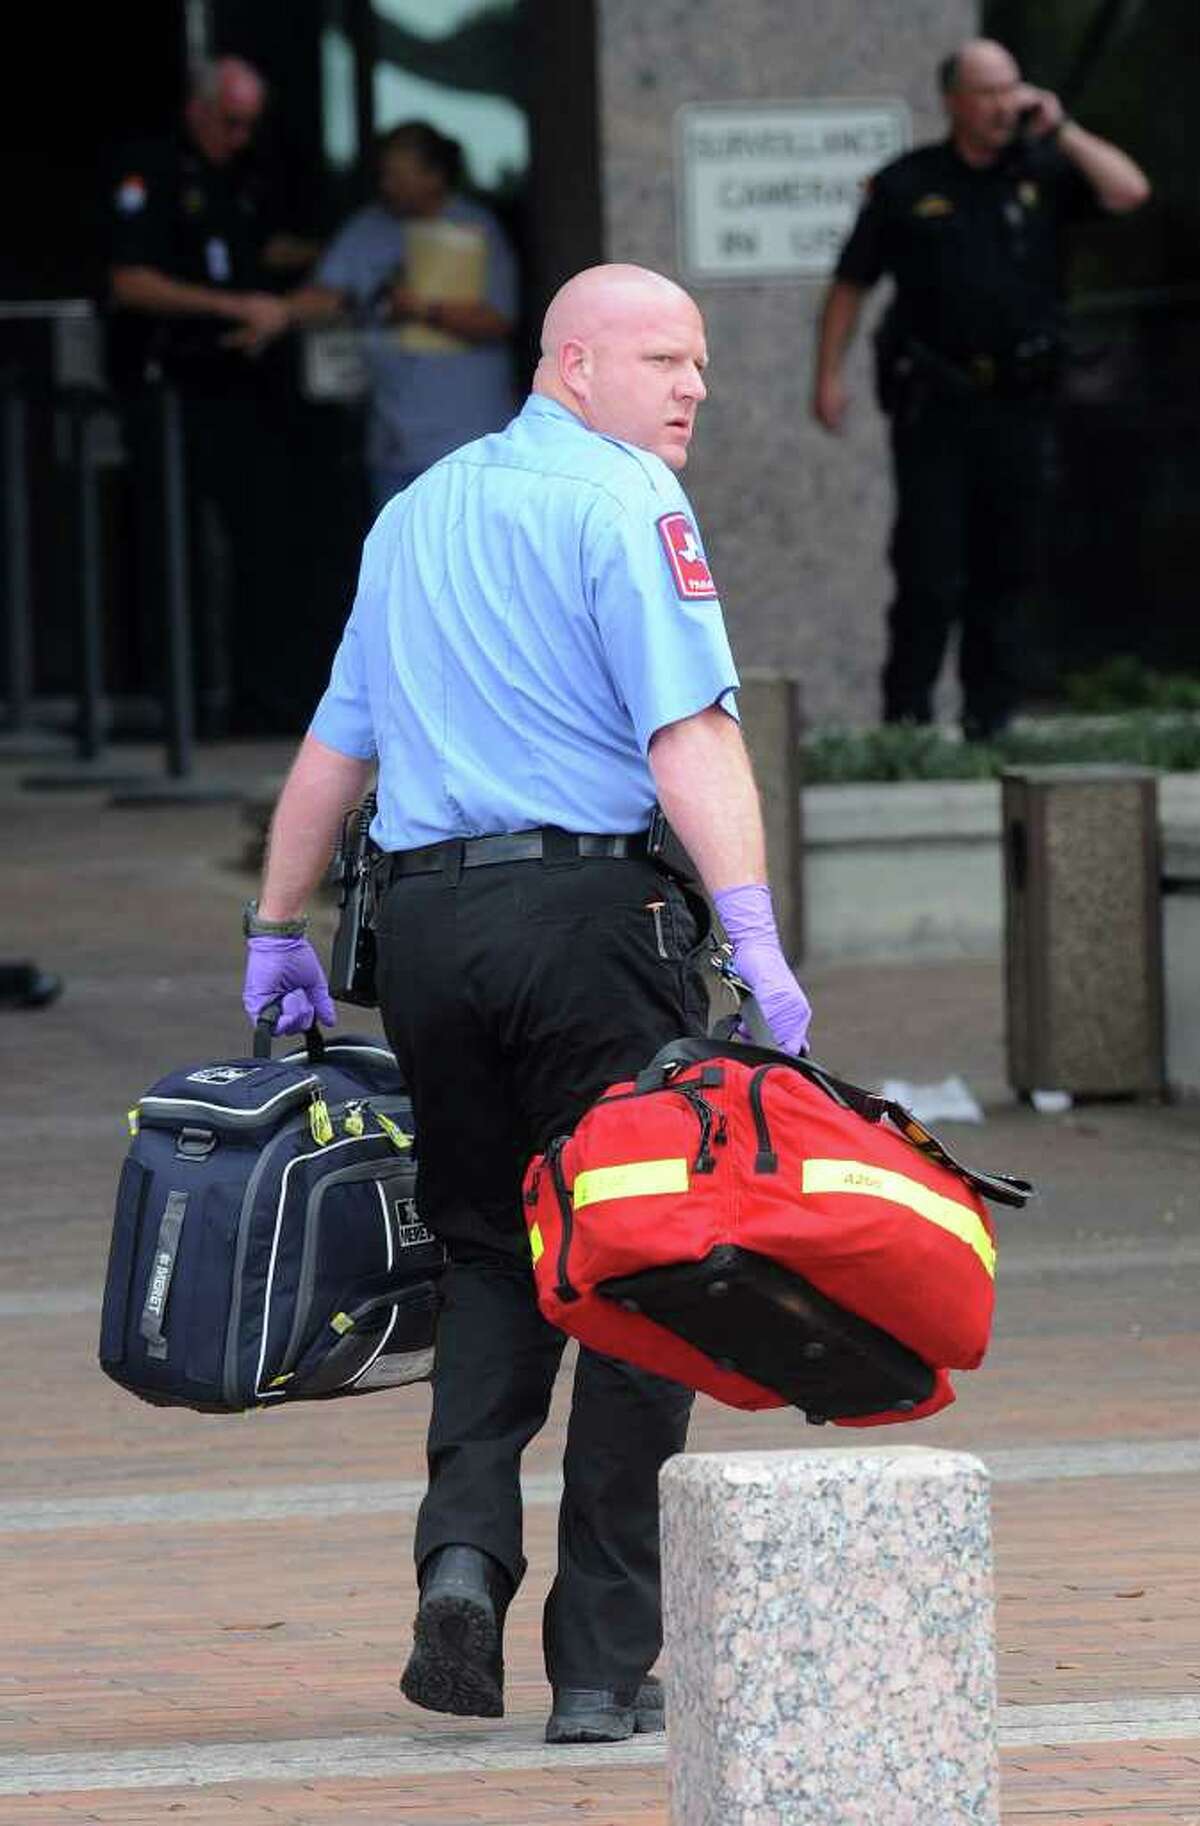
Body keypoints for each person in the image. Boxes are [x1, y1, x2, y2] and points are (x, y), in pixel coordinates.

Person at [240, 262, 812, 1745]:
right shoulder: (630, 505)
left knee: (492, 1249)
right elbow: (687, 734)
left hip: (427, 931)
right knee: (640, 1254)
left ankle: (461, 1557)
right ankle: (605, 1660)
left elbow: (332, 747)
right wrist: (752, 935)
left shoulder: (413, 512)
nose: (692, 387)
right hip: (585, 925)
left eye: (698, 361)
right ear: (570, 364)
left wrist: (273, 925)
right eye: (662, 358)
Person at [812, 38, 1150, 740]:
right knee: (930, 572)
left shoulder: (1043, 171)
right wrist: (829, 375)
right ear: (954, 100)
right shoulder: (909, 184)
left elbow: (1128, 192)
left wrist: (1062, 129)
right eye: (988, 92)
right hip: (937, 403)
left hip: (1023, 404)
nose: (1003, 105)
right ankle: (905, 726)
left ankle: (989, 723)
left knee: (1008, 567)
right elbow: (852, 284)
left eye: (1011, 88)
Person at [106, 57, 305, 733]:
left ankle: (258, 698)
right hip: (171, 388)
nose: (240, 136)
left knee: (263, 541)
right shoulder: (152, 166)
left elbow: (262, 248)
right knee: (173, 546)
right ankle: (179, 709)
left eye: (251, 124)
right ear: (198, 109)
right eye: (230, 122)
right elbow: (129, 282)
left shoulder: (246, 171)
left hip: (246, 385)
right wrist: (230, 305)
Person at [270, 121, 518, 512]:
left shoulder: (477, 228)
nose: (387, 186)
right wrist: (273, 310)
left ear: (434, 176)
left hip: (470, 441)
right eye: (384, 175)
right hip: (394, 441)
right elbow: (327, 295)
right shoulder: (367, 229)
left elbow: (498, 320)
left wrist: (423, 309)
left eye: (398, 176)